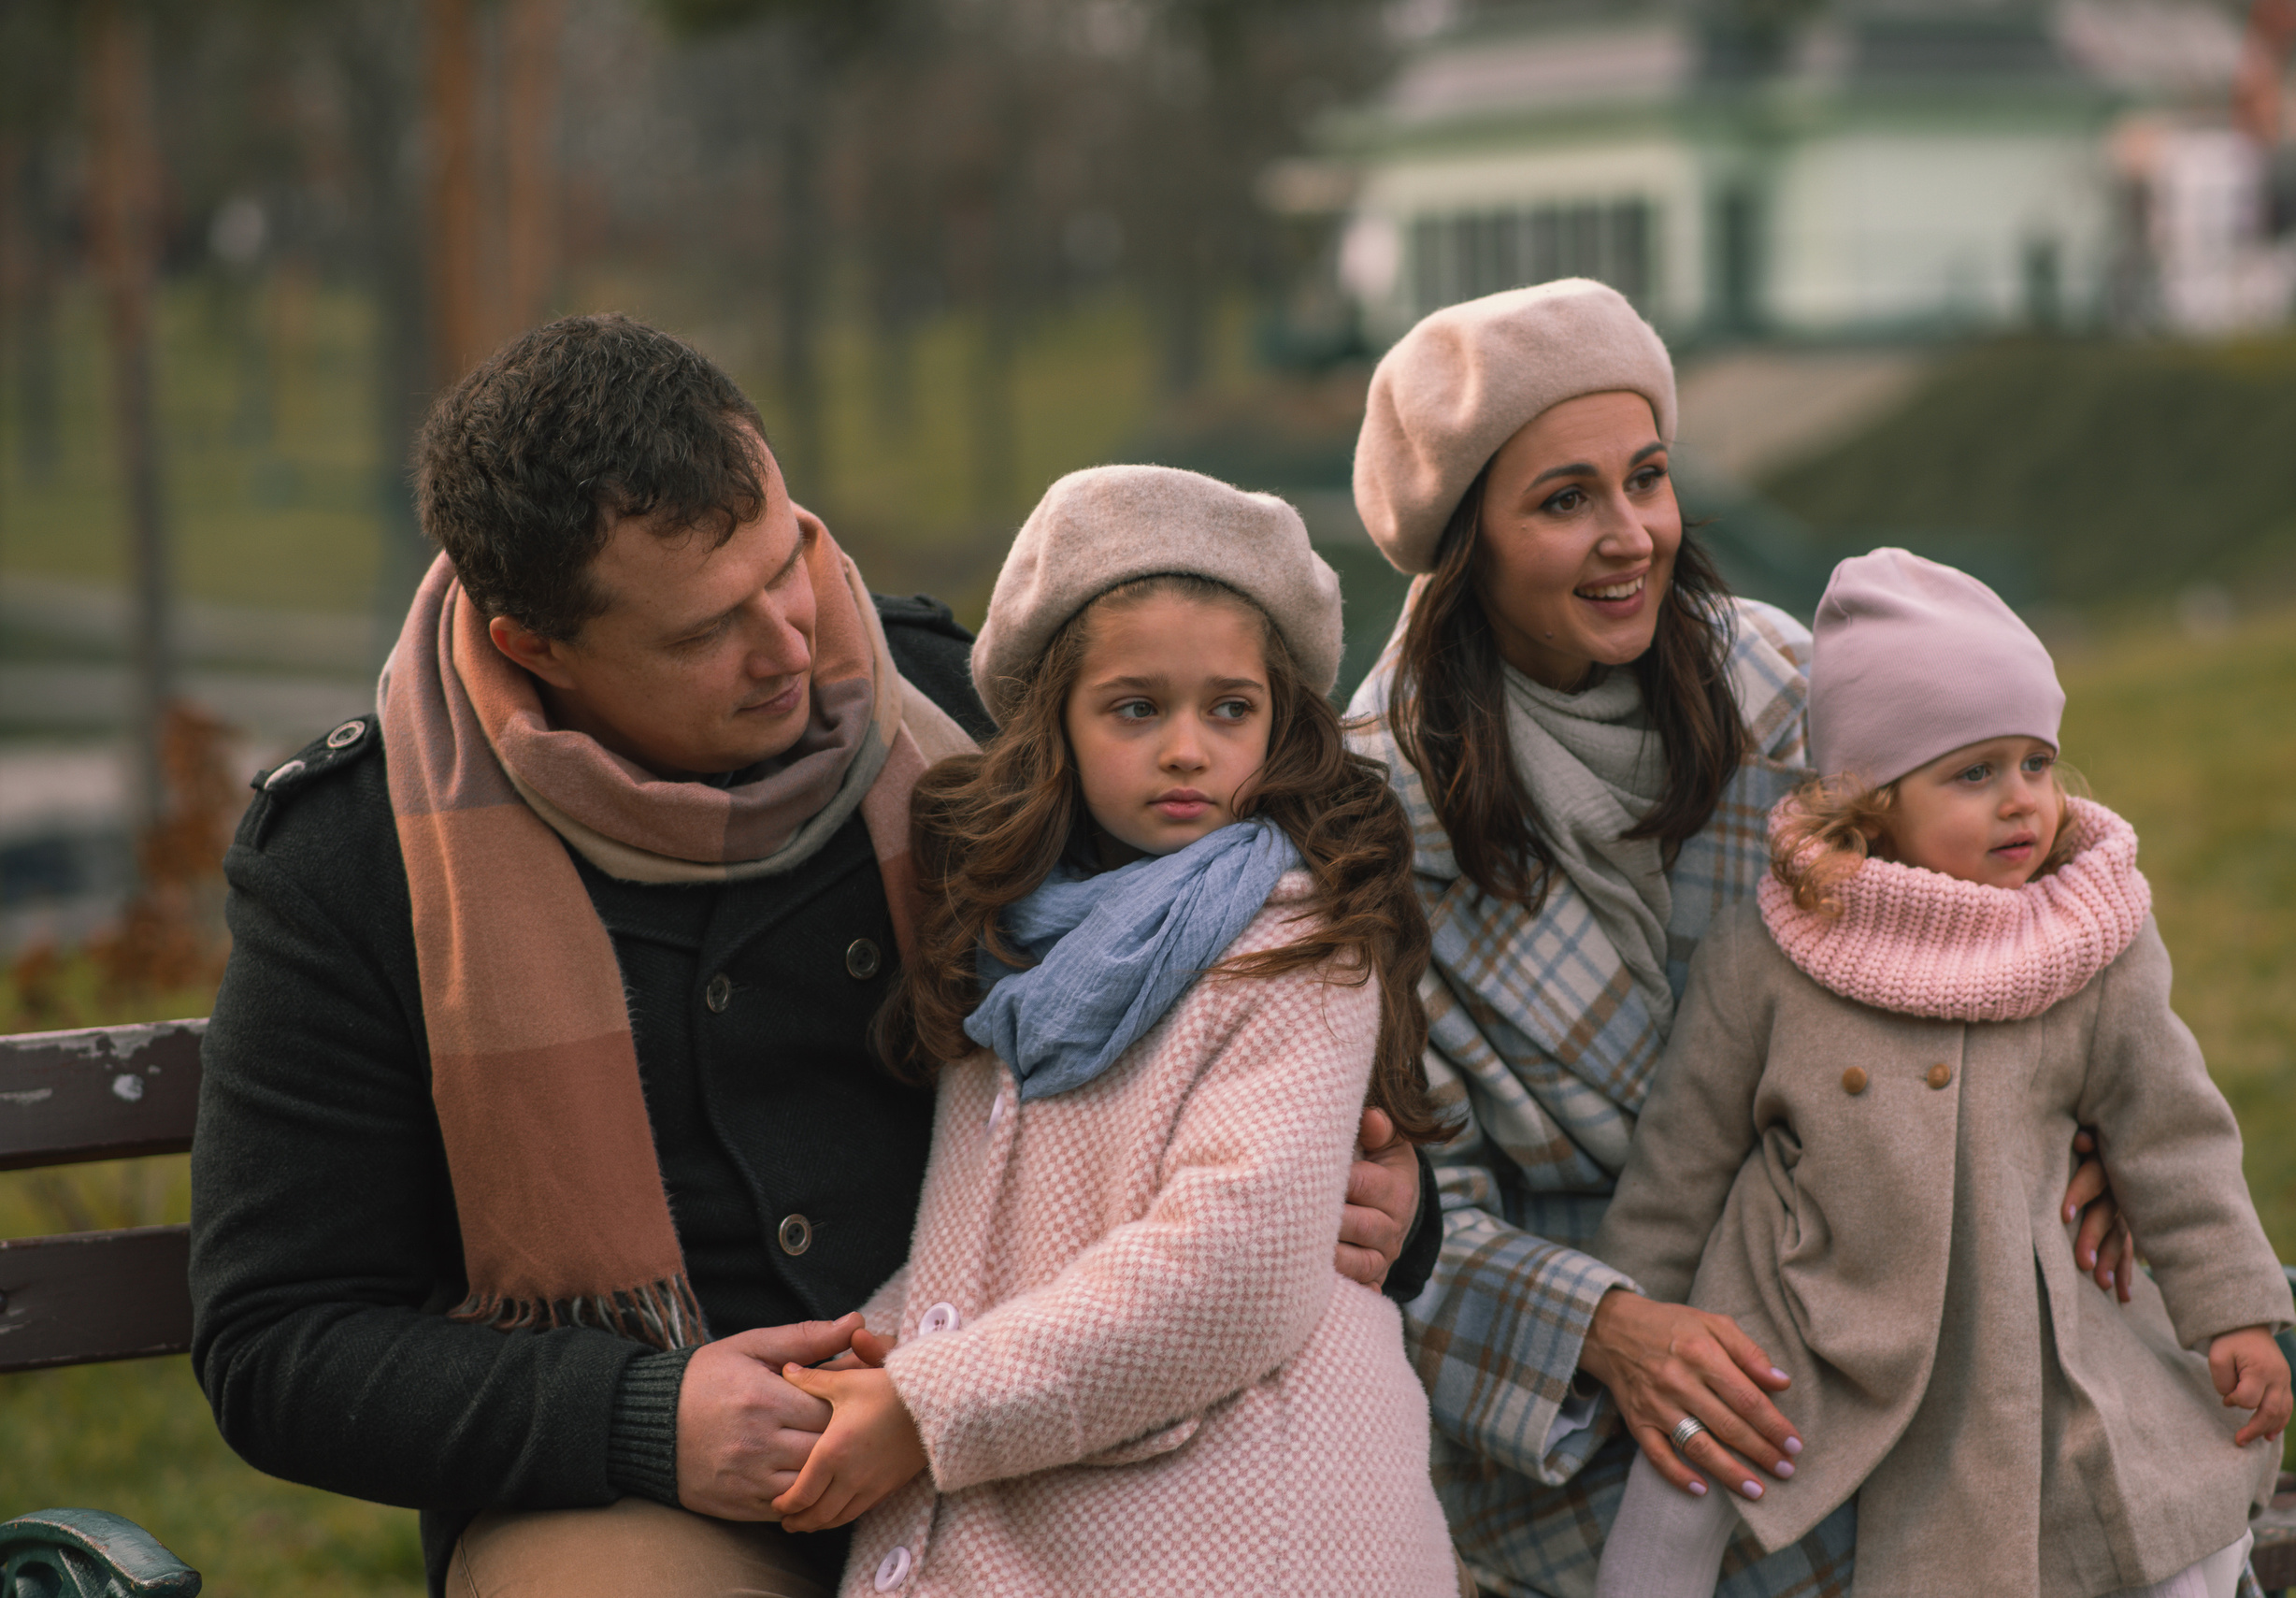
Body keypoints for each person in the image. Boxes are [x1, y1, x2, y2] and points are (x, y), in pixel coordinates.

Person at [187, 317, 1437, 1598]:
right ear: (536, 647)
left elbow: (1244, 1011)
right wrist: (640, 1414)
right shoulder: (357, 861)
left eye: (788, 564)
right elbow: (277, 1339)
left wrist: (1391, 1203)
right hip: (662, 1495)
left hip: (1031, 1425)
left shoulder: (968, 717)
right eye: (701, 634)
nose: (793, 646)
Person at [1343, 280, 2145, 1596]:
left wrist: (2094, 1126)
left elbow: (2037, 888)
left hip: (1890, 1304)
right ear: (1463, 543)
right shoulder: (1372, 821)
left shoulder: (1790, 688)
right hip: (1588, 1419)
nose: (1630, 537)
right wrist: (1603, 1328)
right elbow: (1396, 1216)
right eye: (1563, 500)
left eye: (1647, 479)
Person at [766, 464, 1463, 1595]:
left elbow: (1228, 1268)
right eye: (1137, 707)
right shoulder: (1014, 956)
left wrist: (922, 1405)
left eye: (1228, 708)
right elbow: (993, 1248)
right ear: (1059, 725)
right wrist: (867, 1357)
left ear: (1279, 722)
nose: (1187, 748)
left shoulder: (1301, 939)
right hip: (1083, 1501)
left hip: (1256, 1534)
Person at [1591, 549, 2291, 1598]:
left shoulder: (2085, 939)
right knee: (1684, 1476)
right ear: (1871, 805)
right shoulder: (1774, 950)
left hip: (2026, 1314)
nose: (2020, 803)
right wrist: (1638, 1316)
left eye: (2035, 763)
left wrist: (2232, 1308)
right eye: (1972, 772)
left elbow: (2173, 1134)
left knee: (2152, 1481)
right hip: (1801, 1311)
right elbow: (1682, 1155)